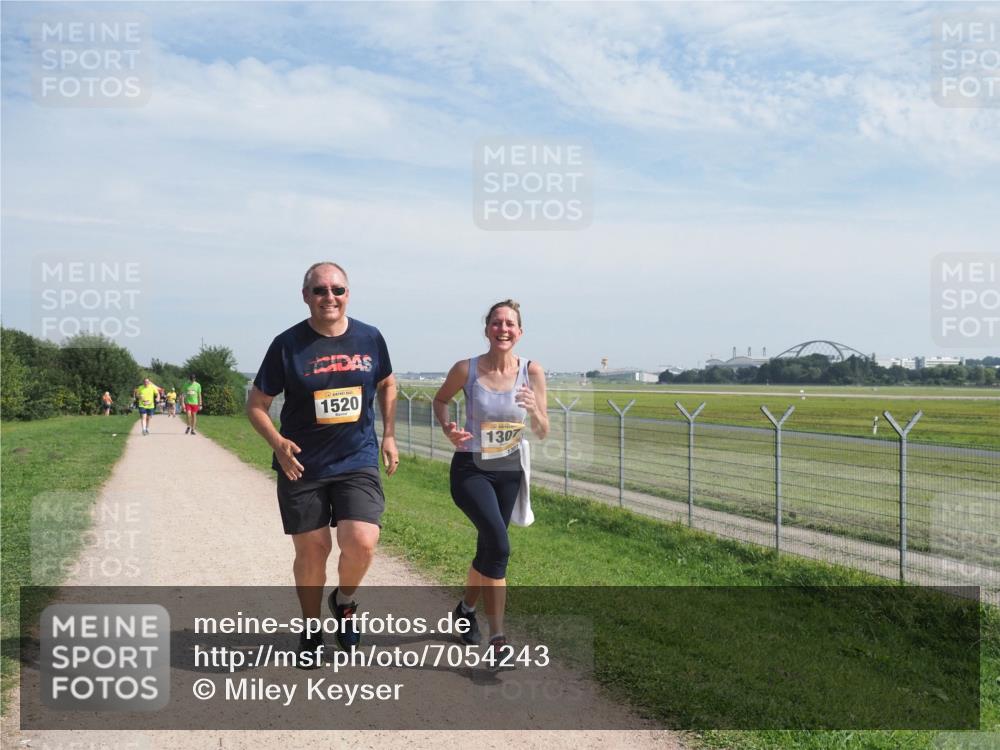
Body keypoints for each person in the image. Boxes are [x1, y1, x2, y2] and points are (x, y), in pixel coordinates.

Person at [246, 262, 398, 664]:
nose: (329, 297)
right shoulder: (287, 344)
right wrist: (278, 443)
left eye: (337, 290)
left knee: (362, 541)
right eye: (319, 290)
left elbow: (387, 382)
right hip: (303, 464)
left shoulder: (370, 337)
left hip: (357, 458)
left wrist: (389, 434)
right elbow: (257, 405)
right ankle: (311, 628)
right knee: (313, 551)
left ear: (348, 293)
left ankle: (344, 602)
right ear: (305, 295)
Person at [432, 299, 548, 667]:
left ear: (520, 331)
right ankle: (499, 640)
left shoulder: (533, 371)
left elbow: (543, 431)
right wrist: (449, 427)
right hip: (470, 469)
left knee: (489, 546)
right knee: (499, 544)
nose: (503, 329)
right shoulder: (465, 369)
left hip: (509, 469)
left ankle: (465, 609)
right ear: (486, 329)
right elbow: (440, 400)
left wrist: (535, 411)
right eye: (496, 323)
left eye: (510, 324)